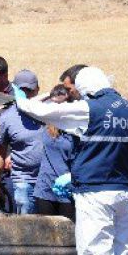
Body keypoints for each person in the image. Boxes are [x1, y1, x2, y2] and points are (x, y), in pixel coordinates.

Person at [14, 66, 128, 255]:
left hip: (95, 195)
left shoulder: (90, 109)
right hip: (126, 193)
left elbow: (37, 111)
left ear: (87, 90)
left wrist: (22, 97)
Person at [0, 69, 45, 214]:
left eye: (29, 90)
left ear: (37, 90)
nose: (26, 94)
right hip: (23, 180)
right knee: (27, 228)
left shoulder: (50, 112)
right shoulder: (6, 117)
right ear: (15, 89)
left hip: (48, 181)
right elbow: (0, 150)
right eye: (22, 90)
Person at [33, 85, 75, 220]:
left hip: (68, 190)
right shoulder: (46, 123)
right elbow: (31, 104)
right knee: (46, 236)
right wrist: (50, 95)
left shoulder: (76, 128)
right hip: (45, 188)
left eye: (61, 105)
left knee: (68, 236)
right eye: (54, 105)